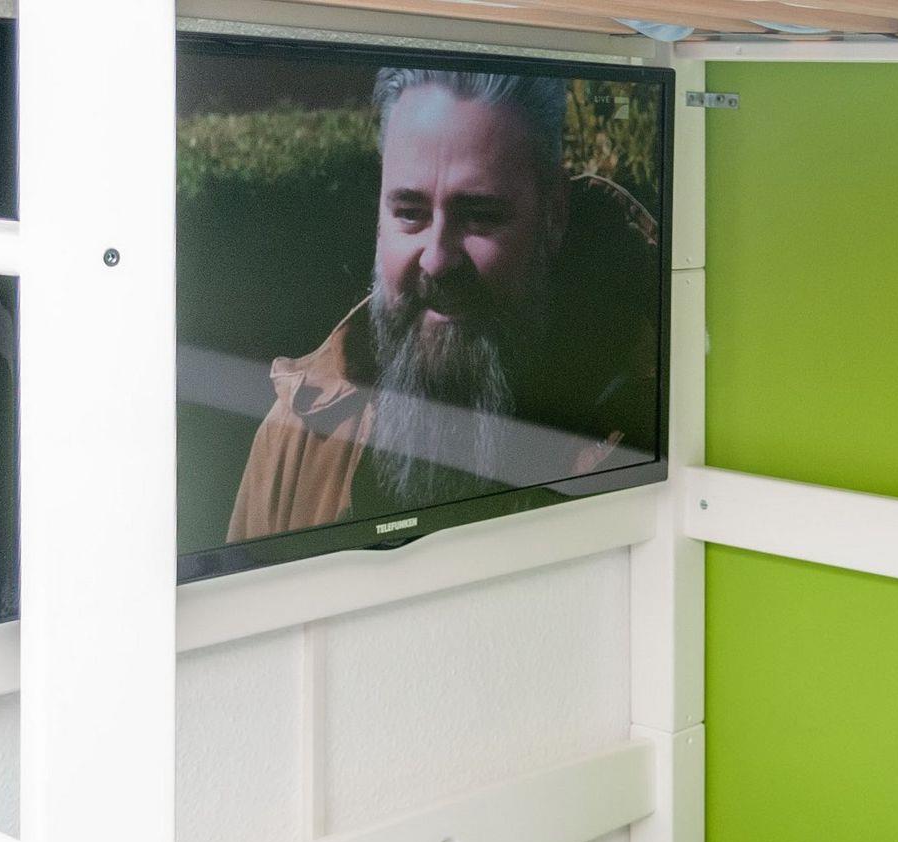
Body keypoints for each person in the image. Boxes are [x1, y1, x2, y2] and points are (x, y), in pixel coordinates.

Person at [227, 68, 657, 544]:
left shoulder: (648, 416)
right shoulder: (301, 430)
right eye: (410, 213)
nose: (437, 259)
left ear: (553, 216)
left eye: (480, 216)